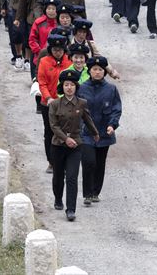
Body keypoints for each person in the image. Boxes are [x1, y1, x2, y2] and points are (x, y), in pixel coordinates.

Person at [49, 69, 99, 221]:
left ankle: (70, 209)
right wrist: (65, 139)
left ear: (76, 86)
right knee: (58, 175)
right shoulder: (55, 104)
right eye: (66, 85)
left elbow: (88, 119)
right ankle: (58, 198)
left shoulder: (82, 103)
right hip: (58, 145)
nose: (69, 88)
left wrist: (95, 133)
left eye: (71, 85)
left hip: (75, 146)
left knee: (72, 177)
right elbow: (54, 126)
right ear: (62, 87)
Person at [79, 56, 123, 205]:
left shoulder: (111, 89)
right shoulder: (82, 88)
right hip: (86, 133)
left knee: (99, 163)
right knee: (88, 161)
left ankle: (95, 192)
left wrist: (112, 125)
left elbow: (116, 109)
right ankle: (87, 194)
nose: (97, 72)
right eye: (94, 69)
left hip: (104, 133)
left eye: (100, 70)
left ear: (104, 72)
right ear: (89, 71)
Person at [38, 34, 72, 173]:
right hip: (49, 104)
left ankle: (64, 161)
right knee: (50, 132)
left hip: (66, 103)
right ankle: (51, 162)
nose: (57, 52)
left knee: (64, 132)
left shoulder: (69, 62)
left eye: (60, 50)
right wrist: (48, 98)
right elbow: (42, 82)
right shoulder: (44, 61)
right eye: (55, 49)